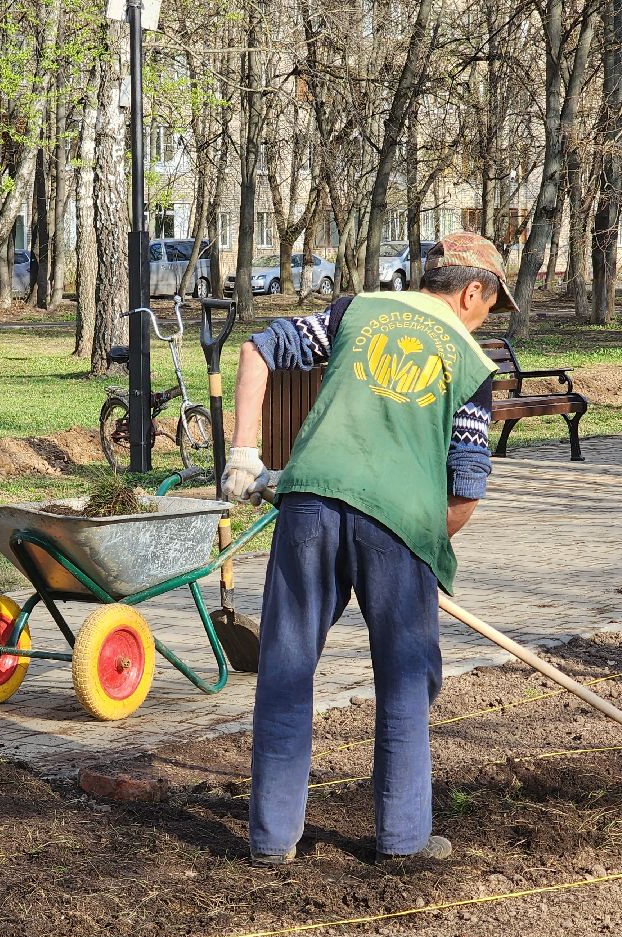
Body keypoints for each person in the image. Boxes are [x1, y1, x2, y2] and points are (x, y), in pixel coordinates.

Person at [221, 231, 515, 863]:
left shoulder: (354, 310)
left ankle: (272, 842)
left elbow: (256, 350)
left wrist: (244, 451)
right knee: (407, 680)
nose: (487, 319)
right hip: (399, 525)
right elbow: (464, 491)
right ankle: (403, 839)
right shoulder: (473, 367)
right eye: (491, 306)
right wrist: (424, 552)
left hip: (309, 504)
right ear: (472, 292)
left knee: (286, 669)